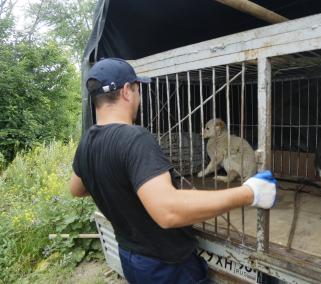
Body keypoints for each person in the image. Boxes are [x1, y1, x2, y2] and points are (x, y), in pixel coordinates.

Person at [70, 58, 277, 284]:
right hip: (165, 266)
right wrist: (250, 193)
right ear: (128, 91)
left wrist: (121, 188)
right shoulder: (135, 139)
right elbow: (168, 212)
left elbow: (77, 189)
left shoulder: (86, 143)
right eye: (139, 90)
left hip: (130, 257)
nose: (139, 97)